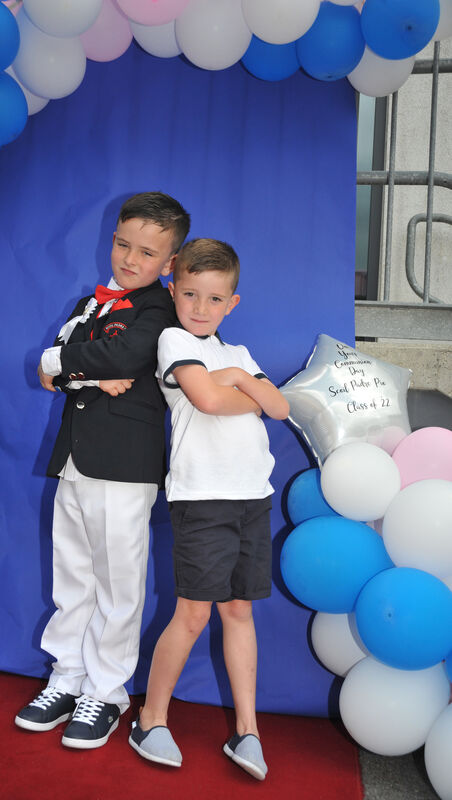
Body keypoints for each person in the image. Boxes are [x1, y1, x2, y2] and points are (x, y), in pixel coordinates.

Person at [15, 192, 190, 750]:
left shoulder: (160, 309)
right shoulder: (87, 303)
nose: (130, 259)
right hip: (74, 457)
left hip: (124, 464)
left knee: (117, 582)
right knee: (72, 574)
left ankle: (107, 691)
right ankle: (66, 676)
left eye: (147, 252)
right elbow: (61, 367)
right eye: (122, 244)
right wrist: (79, 372)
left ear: (169, 263)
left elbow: (118, 357)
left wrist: (62, 364)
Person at [128, 238, 289, 780]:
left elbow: (280, 407)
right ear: (173, 291)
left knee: (239, 611)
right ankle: (150, 719)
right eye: (190, 294)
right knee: (193, 613)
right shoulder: (172, 340)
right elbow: (209, 400)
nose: (200, 307)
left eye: (214, 298)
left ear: (231, 303)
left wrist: (238, 377)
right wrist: (246, 389)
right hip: (202, 499)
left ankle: (247, 731)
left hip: (252, 496)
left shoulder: (238, 354)